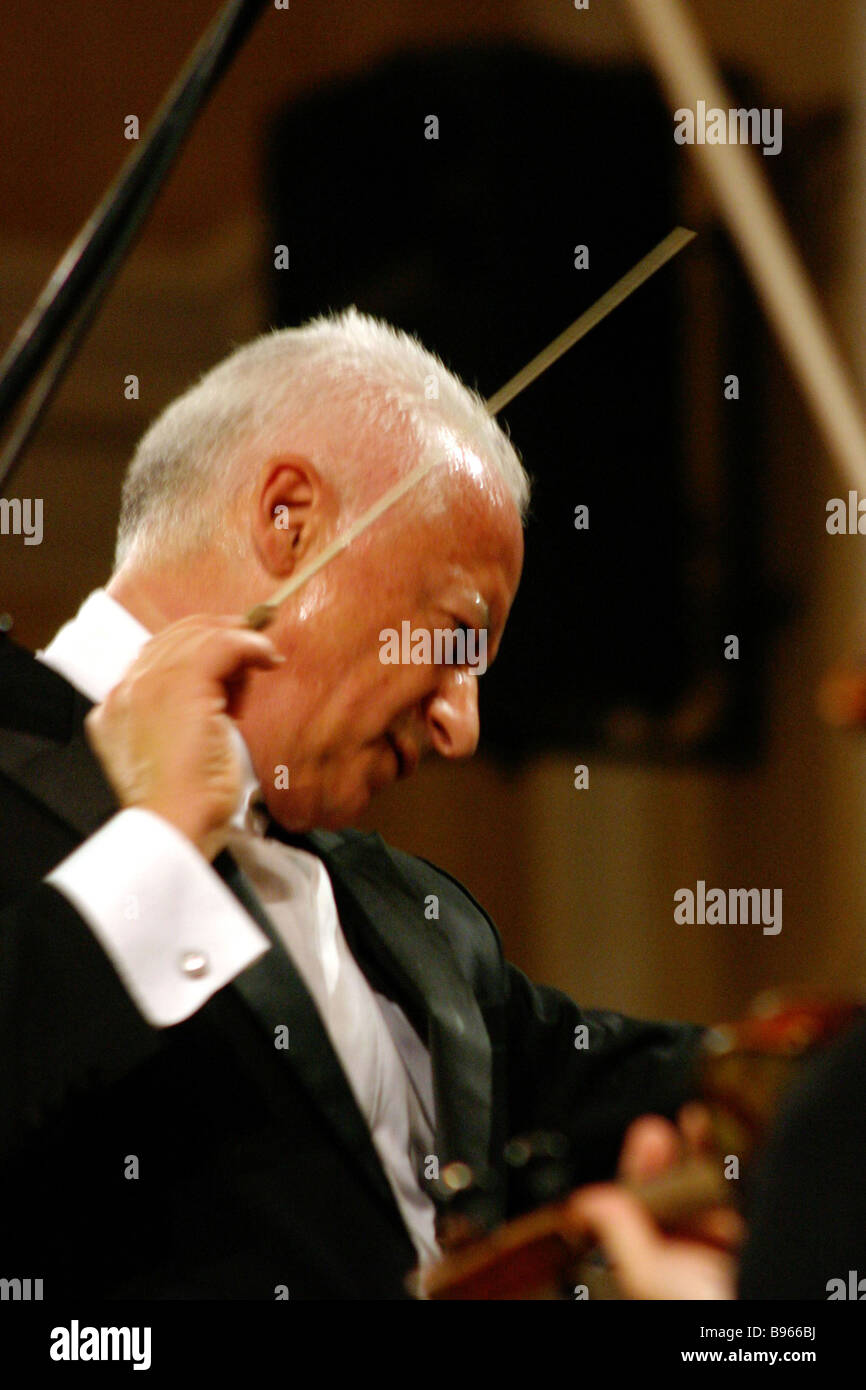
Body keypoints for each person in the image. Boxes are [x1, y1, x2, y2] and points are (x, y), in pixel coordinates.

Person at [0, 309, 703, 1299]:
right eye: (454, 636)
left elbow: (655, 1080)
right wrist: (157, 846)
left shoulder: (424, 921)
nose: (460, 725)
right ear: (290, 519)